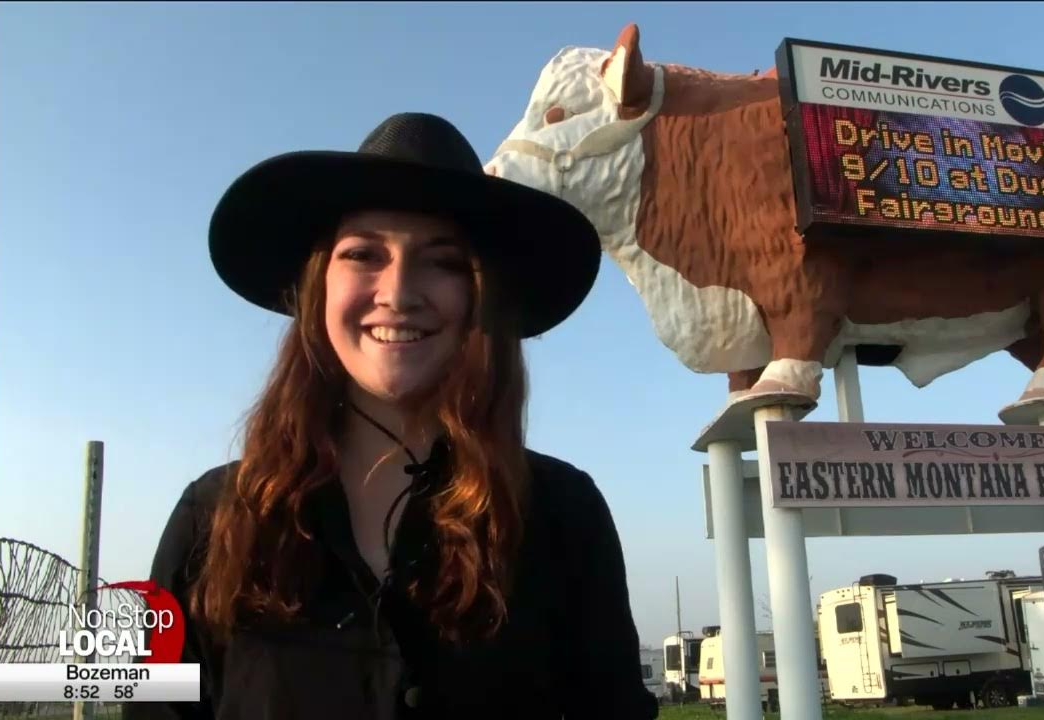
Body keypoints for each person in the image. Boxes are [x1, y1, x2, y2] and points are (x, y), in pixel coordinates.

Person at [127, 113, 659, 719]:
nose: (400, 292)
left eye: (443, 261)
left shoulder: (564, 515)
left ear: (482, 298)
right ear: (317, 287)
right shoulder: (212, 520)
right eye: (363, 254)